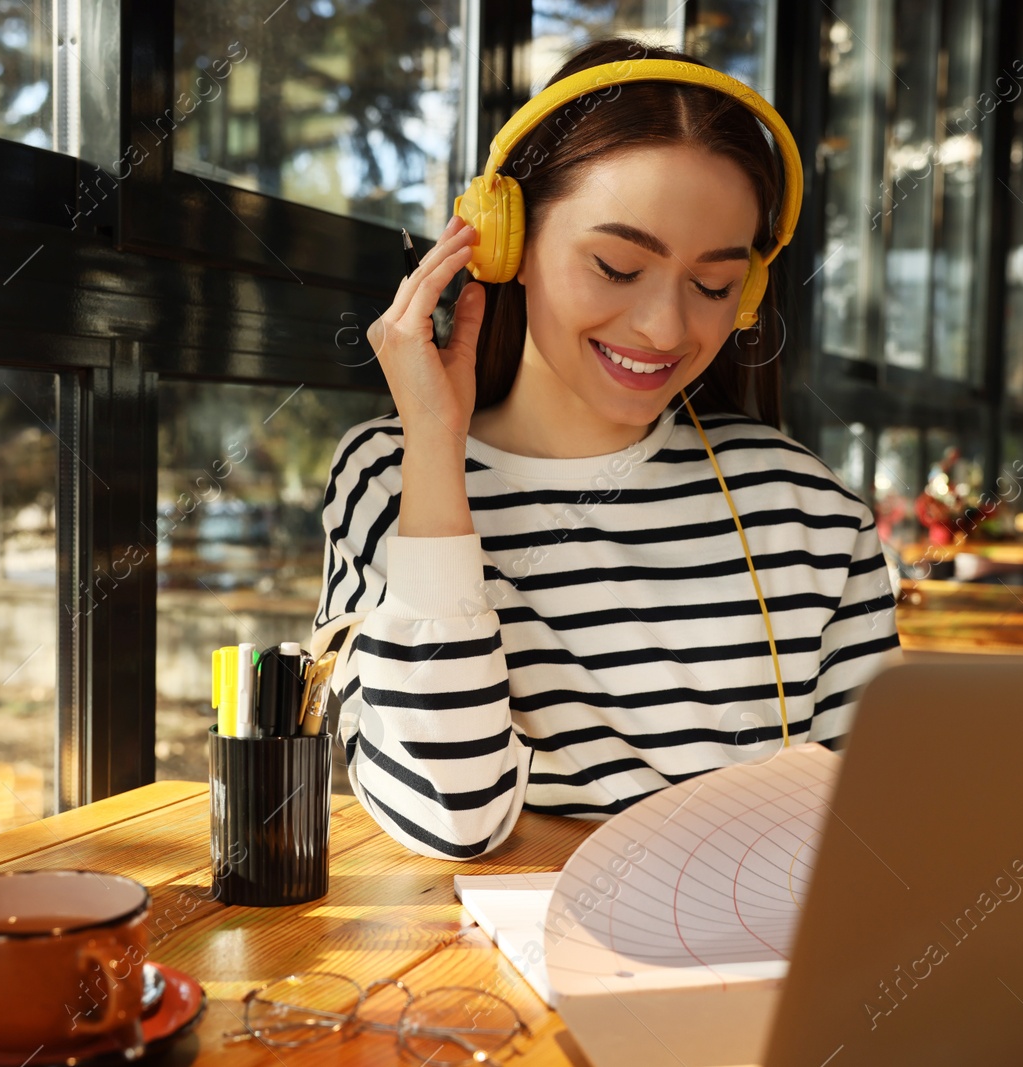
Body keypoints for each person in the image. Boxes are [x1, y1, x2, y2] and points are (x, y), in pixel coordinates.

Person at [308, 36, 903, 861]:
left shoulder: (810, 516)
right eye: (618, 266)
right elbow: (450, 815)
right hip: (487, 985)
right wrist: (435, 453)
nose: (665, 327)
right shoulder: (389, 475)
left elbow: (877, 832)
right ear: (504, 240)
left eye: (712, 285)